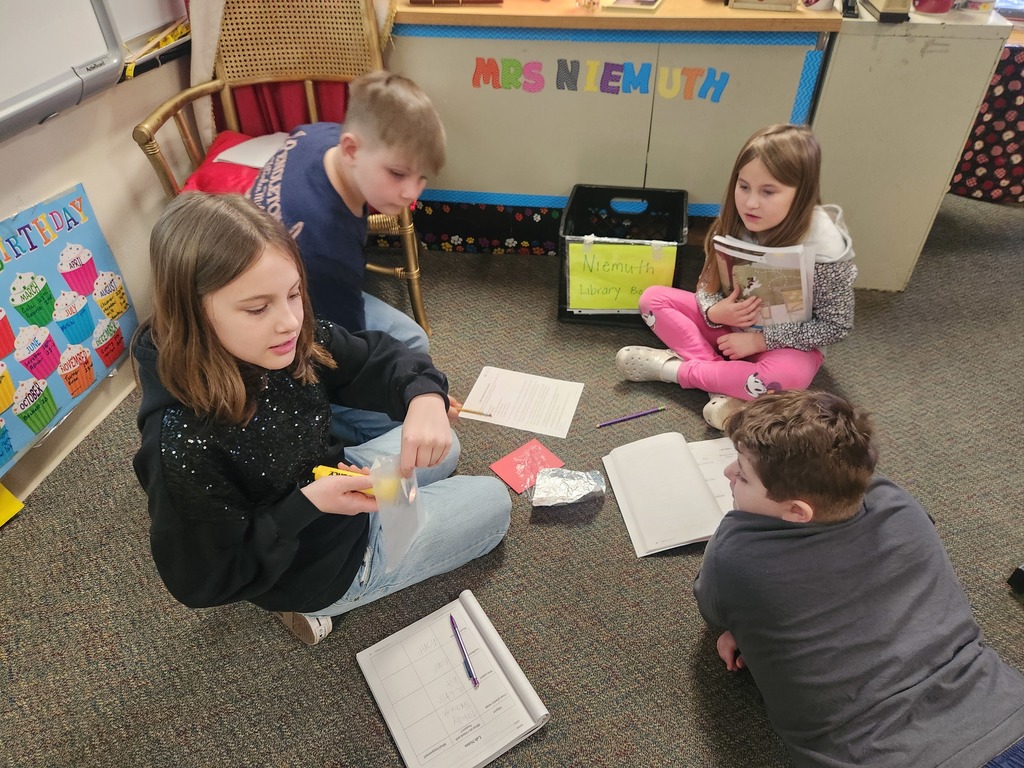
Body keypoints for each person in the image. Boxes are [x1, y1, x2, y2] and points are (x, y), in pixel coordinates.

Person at [132, 193, 511, 646]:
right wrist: (308, 505)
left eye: (294, 294)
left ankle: (386, 514)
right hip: (317, 563)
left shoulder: (285, 337)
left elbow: (371, 358)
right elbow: (201, 580)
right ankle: (321, 603)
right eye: (257, 308)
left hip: (332, 481)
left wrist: (424, 394)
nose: (290, 322)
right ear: (192, 312)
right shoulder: (181, 444)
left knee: (445, 444)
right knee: (495, 501)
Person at [693, 390, 1024, 767]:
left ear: (797, 511)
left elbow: (714, 611)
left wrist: (747, 625)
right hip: (1007, 709)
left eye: (743, 475)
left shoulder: (735, 551)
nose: (728, 473)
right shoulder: (895, 500)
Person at [248, 70, 446, 444]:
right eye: (398, 173)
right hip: (283, 344)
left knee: (414, 341)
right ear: (352, 150)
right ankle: (309, 426)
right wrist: (412, 399)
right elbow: (342, 355)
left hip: (282, 290)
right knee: (403, 428)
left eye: (422, 178)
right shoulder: (325, 253)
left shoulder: (318, 135)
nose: (411, 193)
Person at [615, 124, 856, 430]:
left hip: (786, 345)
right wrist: (714, 312)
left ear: (802, 194)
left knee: (787, 378)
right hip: (729, 330)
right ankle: (721, 384)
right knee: (653, 299)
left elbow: (836, 325)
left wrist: (760, 340)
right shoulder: (734, 219)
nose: (751, 203)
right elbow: (707, 286)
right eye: (743, 186)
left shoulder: (826, 246)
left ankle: (672, 370)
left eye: (768, 192)